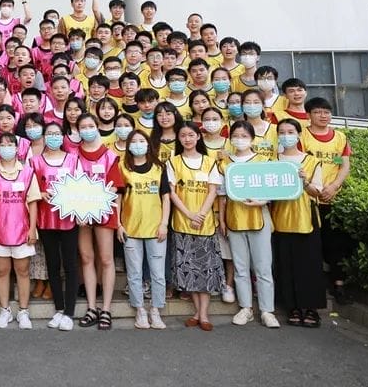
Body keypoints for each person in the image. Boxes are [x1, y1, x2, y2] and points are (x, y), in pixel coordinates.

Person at [218, 119, 280, 328]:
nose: (240, 139)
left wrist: (263, 201)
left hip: (259, 219)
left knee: (263, 267)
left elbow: (274, 189)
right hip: (235, 219)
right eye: (236, 136)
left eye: (244, 136)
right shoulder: (225, 163)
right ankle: (246, 308)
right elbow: (222, 195)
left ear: (253, 138)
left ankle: (267, 310)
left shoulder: (263, 161)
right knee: (241, 267)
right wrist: (222, 220)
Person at [167, 123, 224, 331]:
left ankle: (203, 315)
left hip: (205, 224)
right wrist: (189, 214)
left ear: (198, 137)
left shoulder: (209, 162)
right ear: (179, 139)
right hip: (182, 222)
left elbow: (213, 191)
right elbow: (172, 193)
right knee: (189, 269)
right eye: (183, 136)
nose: (187, 139)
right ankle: (197, 312)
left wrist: (200, 215)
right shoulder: (173, 162)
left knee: (205, 269)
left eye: (191, 135)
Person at [272, 118, 327, 327]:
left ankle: (311, 308)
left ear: (298, 135)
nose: (286, 136)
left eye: (290, 132)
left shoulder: (311, 161)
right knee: (285, 265)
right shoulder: (272, 161)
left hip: (306, 218)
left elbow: (317, 192)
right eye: (282, 132)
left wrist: (304, 182)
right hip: (281, 218)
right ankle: (292, 307)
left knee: (309, 264)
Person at [300, 97, 353, 304]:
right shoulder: (302, 136)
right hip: (309, 199)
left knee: (335, 244)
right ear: (308, 115)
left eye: (327, 112)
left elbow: (343, 165)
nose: (323, 116)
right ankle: (316, 284)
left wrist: (334, 187)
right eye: (318, 112)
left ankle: (338, 284)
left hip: (332, 198)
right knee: (312, 244)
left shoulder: (340, 137)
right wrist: (313, 188)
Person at [74, 114, 124, 331]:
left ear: (97, 128)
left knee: (106, 259)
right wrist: (80, 210)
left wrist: (93, 208)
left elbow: (114, 188)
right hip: (81, 214)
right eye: (83, 127)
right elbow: (70, 185)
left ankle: (106, 309)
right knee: (86, 258)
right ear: (78, 131)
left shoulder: (110, 155)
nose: (87, 130)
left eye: (90, 126)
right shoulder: (73, 155)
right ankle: (92, 307)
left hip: (103, 211)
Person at [31, 122, 82, 331]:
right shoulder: (35, 161)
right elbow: (30, 189)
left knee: (70, 265)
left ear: (62, 137)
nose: (53, 137)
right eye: (49, 133)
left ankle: (69, 312)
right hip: (46, 219)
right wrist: (41, 193)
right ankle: (59, 308)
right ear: (44, 137)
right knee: (52, 264)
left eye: (57, 133)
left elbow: (80, 186)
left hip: (68, 219)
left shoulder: (73, 159)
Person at [0, 133, 41, 330]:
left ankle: (23, 311)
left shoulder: (27, 172)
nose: (6, 148)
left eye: (10, 144)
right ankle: (5, 311)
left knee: (23, 271)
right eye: (2, 145)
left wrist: (32, 229)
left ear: (17, 149)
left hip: (22, 230)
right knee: (1, 271)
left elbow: (33, 202)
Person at [119, 131, 170, 330]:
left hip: (156, 229)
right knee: (134, 273)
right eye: (134, 141)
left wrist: (164, 224)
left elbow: (166, 197)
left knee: (158, 273)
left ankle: (156, 310)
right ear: (128, 146)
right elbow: (118, 198)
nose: (138, 144)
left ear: (148, 144)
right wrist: (118, 224)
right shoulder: (122, 167)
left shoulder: (159, 168)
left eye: (142, 141)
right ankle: (139, 310)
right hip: (130, 228)